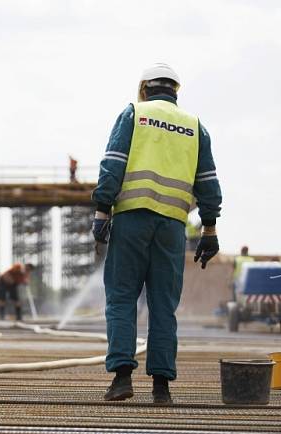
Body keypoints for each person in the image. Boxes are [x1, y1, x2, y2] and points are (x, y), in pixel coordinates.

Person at [91, 63, 222, 405]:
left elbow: (113, 164)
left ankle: (122, 380)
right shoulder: (195, 127)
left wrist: (101, 211)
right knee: (164, 305)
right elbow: (208, 183)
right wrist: (209, 229)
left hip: (133, 220)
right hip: (172, 227)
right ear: (175, 91)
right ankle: (162, 388)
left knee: (121, 298)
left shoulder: (134, 113)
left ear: (145, 88)